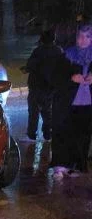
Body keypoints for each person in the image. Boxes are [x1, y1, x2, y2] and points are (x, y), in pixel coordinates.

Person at [52, 24, 92, 177]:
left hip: (87, 104)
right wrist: (71, 78)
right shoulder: (67, 55)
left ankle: (77, 165)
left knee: (83, 136)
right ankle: (61, 166)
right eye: (80, 36)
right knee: (65, 134)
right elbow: (56, 78)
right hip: (68, 103)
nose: (83, 40)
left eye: (87, 36)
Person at [22, 30, 63, 140]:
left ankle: (32, 133)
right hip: (51, 87)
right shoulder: (58, 51)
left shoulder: (38, 51)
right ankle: (47, 132)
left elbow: (30, 66)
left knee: (33, 111)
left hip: (36, 86)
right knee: (48, 111)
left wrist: (26, 69)